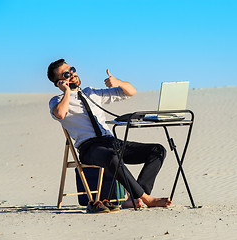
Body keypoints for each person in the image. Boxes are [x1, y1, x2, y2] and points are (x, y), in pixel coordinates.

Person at [47, 59, 172, 211]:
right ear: (59, 82)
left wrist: (117, 82)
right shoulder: (57, 101)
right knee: (112, 157)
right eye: (66, 74)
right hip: (90, 148)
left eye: (72, 69)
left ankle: (133, 198)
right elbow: (60, 114)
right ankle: (146, 198)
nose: (72, 74)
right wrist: (67, 91)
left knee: (157, 150)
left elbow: (131, 91)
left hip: (111, 142)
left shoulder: (91, 92)